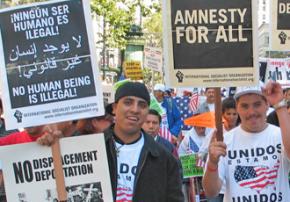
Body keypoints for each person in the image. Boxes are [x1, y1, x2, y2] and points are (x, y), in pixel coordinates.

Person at [202, 81, 290, 201]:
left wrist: (280, 105)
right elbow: (211, 192)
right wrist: (212, 162)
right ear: (237, 108)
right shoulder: (224, 142)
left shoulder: (281, 135)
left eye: (257, 104)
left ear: (266, 105)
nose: (251, 112)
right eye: (244, 106)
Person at [104, 82, 183, 202]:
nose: (135, 109)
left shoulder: (165, 160)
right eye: (128, 102)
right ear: (114, 108)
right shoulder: (94, 149)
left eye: (142, 105)